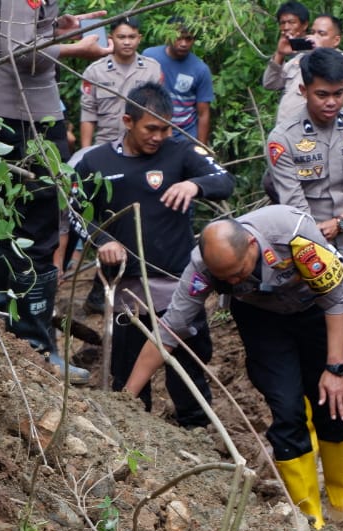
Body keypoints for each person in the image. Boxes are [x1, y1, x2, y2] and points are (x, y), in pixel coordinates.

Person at [123, 207, 343, 529]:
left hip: (317, 312)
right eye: (226, 278)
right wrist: (126, 397)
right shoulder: (203, 266)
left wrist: (336, 369)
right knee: (287, 411)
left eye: (238, 271)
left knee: (334, 407)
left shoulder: (295, 235)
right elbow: (169, 330)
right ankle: (309, 516)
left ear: (250, 244)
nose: (233, 280)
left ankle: (341, 501)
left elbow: (337, 300)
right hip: (262, 322)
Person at [71, 82, 233, 426]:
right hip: (128, 288)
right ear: (128, 121)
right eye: (151, 128)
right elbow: (76, 211)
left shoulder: (180, 153)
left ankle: (197, 431)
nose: (158, 136)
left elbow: (224, 179)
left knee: (188, 367)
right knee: (127, 372)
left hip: (179, 282)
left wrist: (195, 184)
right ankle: (134, 434)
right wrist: (103, 240)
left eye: (165, 128)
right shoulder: (95, 162)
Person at [0, 0, 111, 384]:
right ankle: (33, 344)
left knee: (16, 215)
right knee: (39, 218)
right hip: (18, 109)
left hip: (12, 104)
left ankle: (3, 320)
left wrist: (54, 27)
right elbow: (21, 53)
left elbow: (10, 29)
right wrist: (78, 49)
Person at [266, 47, 343, 319]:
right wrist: (321, 236)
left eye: (338, 93)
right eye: (322, 94)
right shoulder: (283, 139)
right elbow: (294, 208)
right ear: (303, 89)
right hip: (310, 255)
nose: (331, 102)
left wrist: (341, 223)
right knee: (326, 342)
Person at [78, 16, 163, 148]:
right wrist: (86, 151)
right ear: (111, 38)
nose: (127, 42)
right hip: (106, 144)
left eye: (132, 37)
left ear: (139, 39)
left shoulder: (152, 69)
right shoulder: (95, 71)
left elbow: (161, 111)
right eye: (121, 37)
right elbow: (88, 114)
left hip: (141, 144)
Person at [263, 12, 343, 126]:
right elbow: (270, 84)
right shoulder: (300, 59)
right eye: (313, 32)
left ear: (336, 40)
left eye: (321, 34)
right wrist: (280, 54)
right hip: (286, 130)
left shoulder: (340, 60)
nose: (314, 37)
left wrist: (321, 52)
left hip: (312, 132)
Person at [143, 19, 213, 145]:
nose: (184, 44)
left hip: (185, 136)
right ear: (168, 36)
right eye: (179, 38)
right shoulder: (149, 56)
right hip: (153, 133)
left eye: (188, 39)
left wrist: (201, 147)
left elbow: (203, 113)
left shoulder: (200, 69)